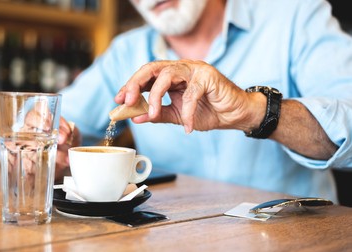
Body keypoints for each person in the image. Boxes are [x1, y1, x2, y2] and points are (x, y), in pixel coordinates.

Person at [57, 0, 352, 203]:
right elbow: (48, 121)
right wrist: (47, 140)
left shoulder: (295, 15)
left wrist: (253, 110)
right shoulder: (125, 52)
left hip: (294, 249)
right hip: (172, 251)